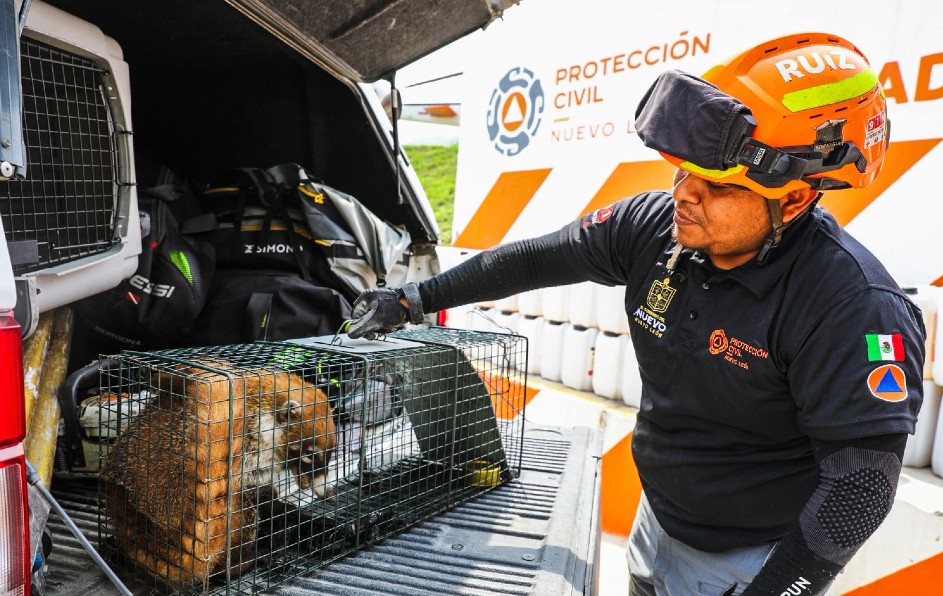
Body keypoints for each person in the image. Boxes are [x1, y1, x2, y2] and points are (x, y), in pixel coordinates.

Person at [346, 32, 925, 596]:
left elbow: (860, 489)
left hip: (750, 561)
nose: (683, 193)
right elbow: (539, 258)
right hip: (658, 519)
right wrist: (410, 301)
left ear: (794, 198)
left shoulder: (852, 306)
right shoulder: (657, 227)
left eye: (716, 185)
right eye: (683, 171)